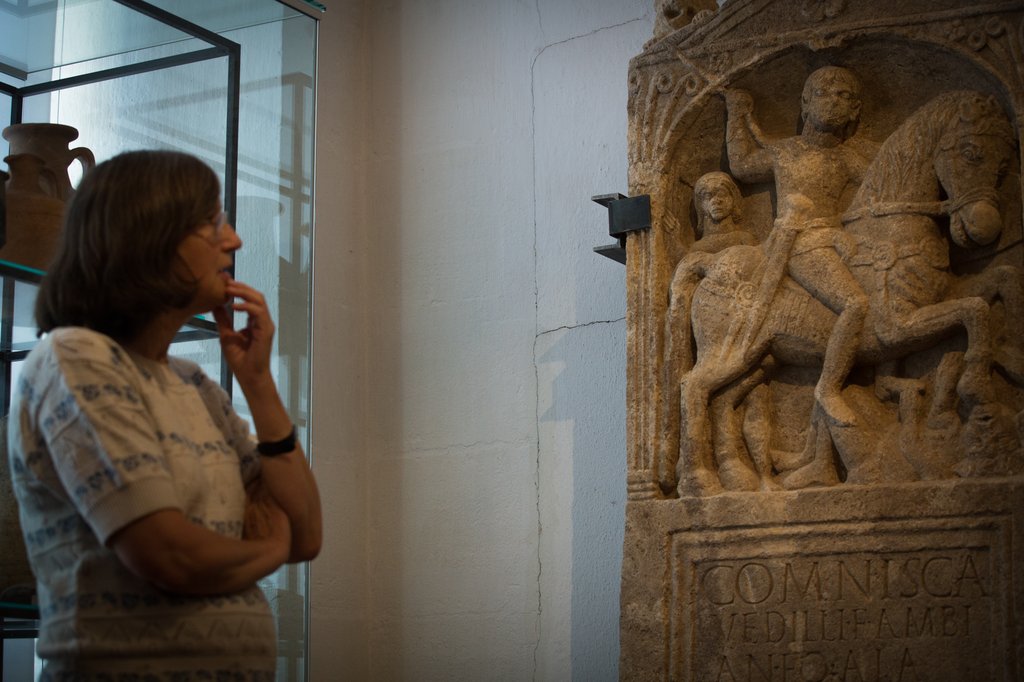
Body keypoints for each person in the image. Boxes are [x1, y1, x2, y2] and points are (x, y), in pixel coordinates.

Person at [7, 150, 322, 680]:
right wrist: (270, 548)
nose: (235, 240)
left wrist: (259, 384)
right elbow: (171, 556)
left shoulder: (194, 384)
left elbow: (307, 534)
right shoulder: (76, 356)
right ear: (146, 234)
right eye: (211, 222)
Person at [724, 65, 878, 426]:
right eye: (823, 94)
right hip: (799, 244)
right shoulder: (785, 153)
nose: (833, 102)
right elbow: (743, 165)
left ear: (855, 110)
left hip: (836, 244)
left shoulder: (850, 158)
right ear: (805, 104)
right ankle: (828, 389)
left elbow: (876, 196)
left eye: (843, 96)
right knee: (855, 303)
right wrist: (735, 111)